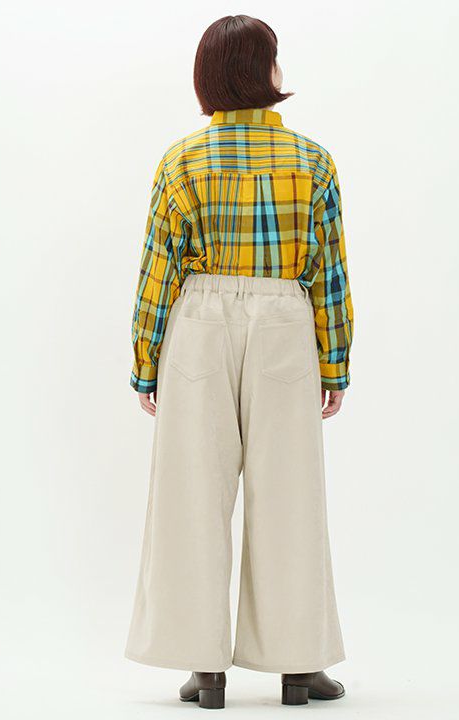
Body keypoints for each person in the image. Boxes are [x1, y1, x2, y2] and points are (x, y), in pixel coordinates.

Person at [124, 14, 354, 710]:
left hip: (199, 322)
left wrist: (145, 362)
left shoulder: (181, 161)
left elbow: (158, 271)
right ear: (267, 72)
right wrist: (335, 362)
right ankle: (298, 668)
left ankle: (205, 669)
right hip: (284, 320)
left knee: (192, 492)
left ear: (209, 77)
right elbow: (329, 273)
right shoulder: (313, 162)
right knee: (290, 494)